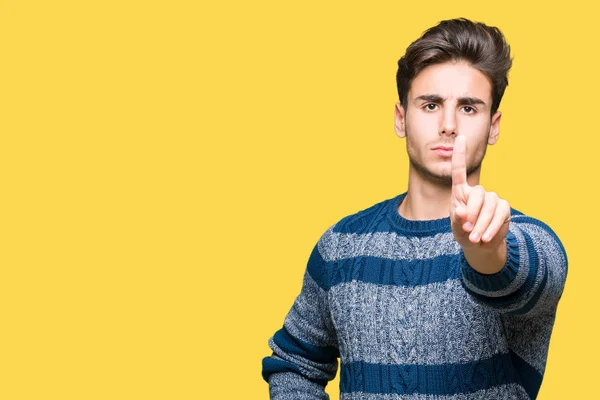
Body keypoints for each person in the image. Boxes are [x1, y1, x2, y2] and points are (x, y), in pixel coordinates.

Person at [261, 17, 568, 400]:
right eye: (431, 104)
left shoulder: (530, 241)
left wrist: (483, 249)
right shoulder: (340, 246)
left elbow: (519, 276)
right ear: (401, 118)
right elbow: (294, 365)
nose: (449, 125)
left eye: (469, 108)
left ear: (493, 126)